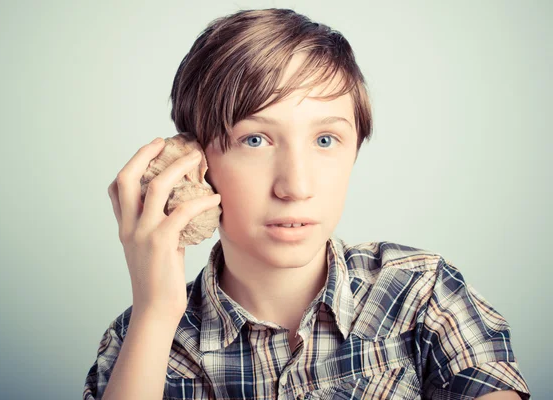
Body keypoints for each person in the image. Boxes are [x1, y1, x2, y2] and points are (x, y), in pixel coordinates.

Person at [83, 8, 531, 400]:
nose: (295, 187)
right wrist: (156, 313)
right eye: (254, 139)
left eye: (325, 139)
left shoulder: (422, 295)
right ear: (192, 164)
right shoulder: (138, 342)